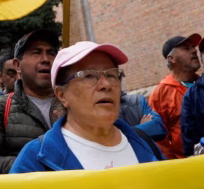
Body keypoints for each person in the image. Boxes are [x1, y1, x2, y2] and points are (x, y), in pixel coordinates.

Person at [11, 41, 160, 172]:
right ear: (61, 94)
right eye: (88, 75)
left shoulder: (144, 144)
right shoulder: (35, 160)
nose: (106, 84)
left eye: (112, 75)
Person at [0, 29, 61, 175]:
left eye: (51, 53)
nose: (46, 59)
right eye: (36, 52)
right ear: (17, 66)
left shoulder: (76, 106)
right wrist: (40, 163)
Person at [148, 34, 201, 159]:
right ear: (171, 58)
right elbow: (159, 140)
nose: (194, 50)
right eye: (186, 48)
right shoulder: (160, 94)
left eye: (193, 47)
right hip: (186, 167)